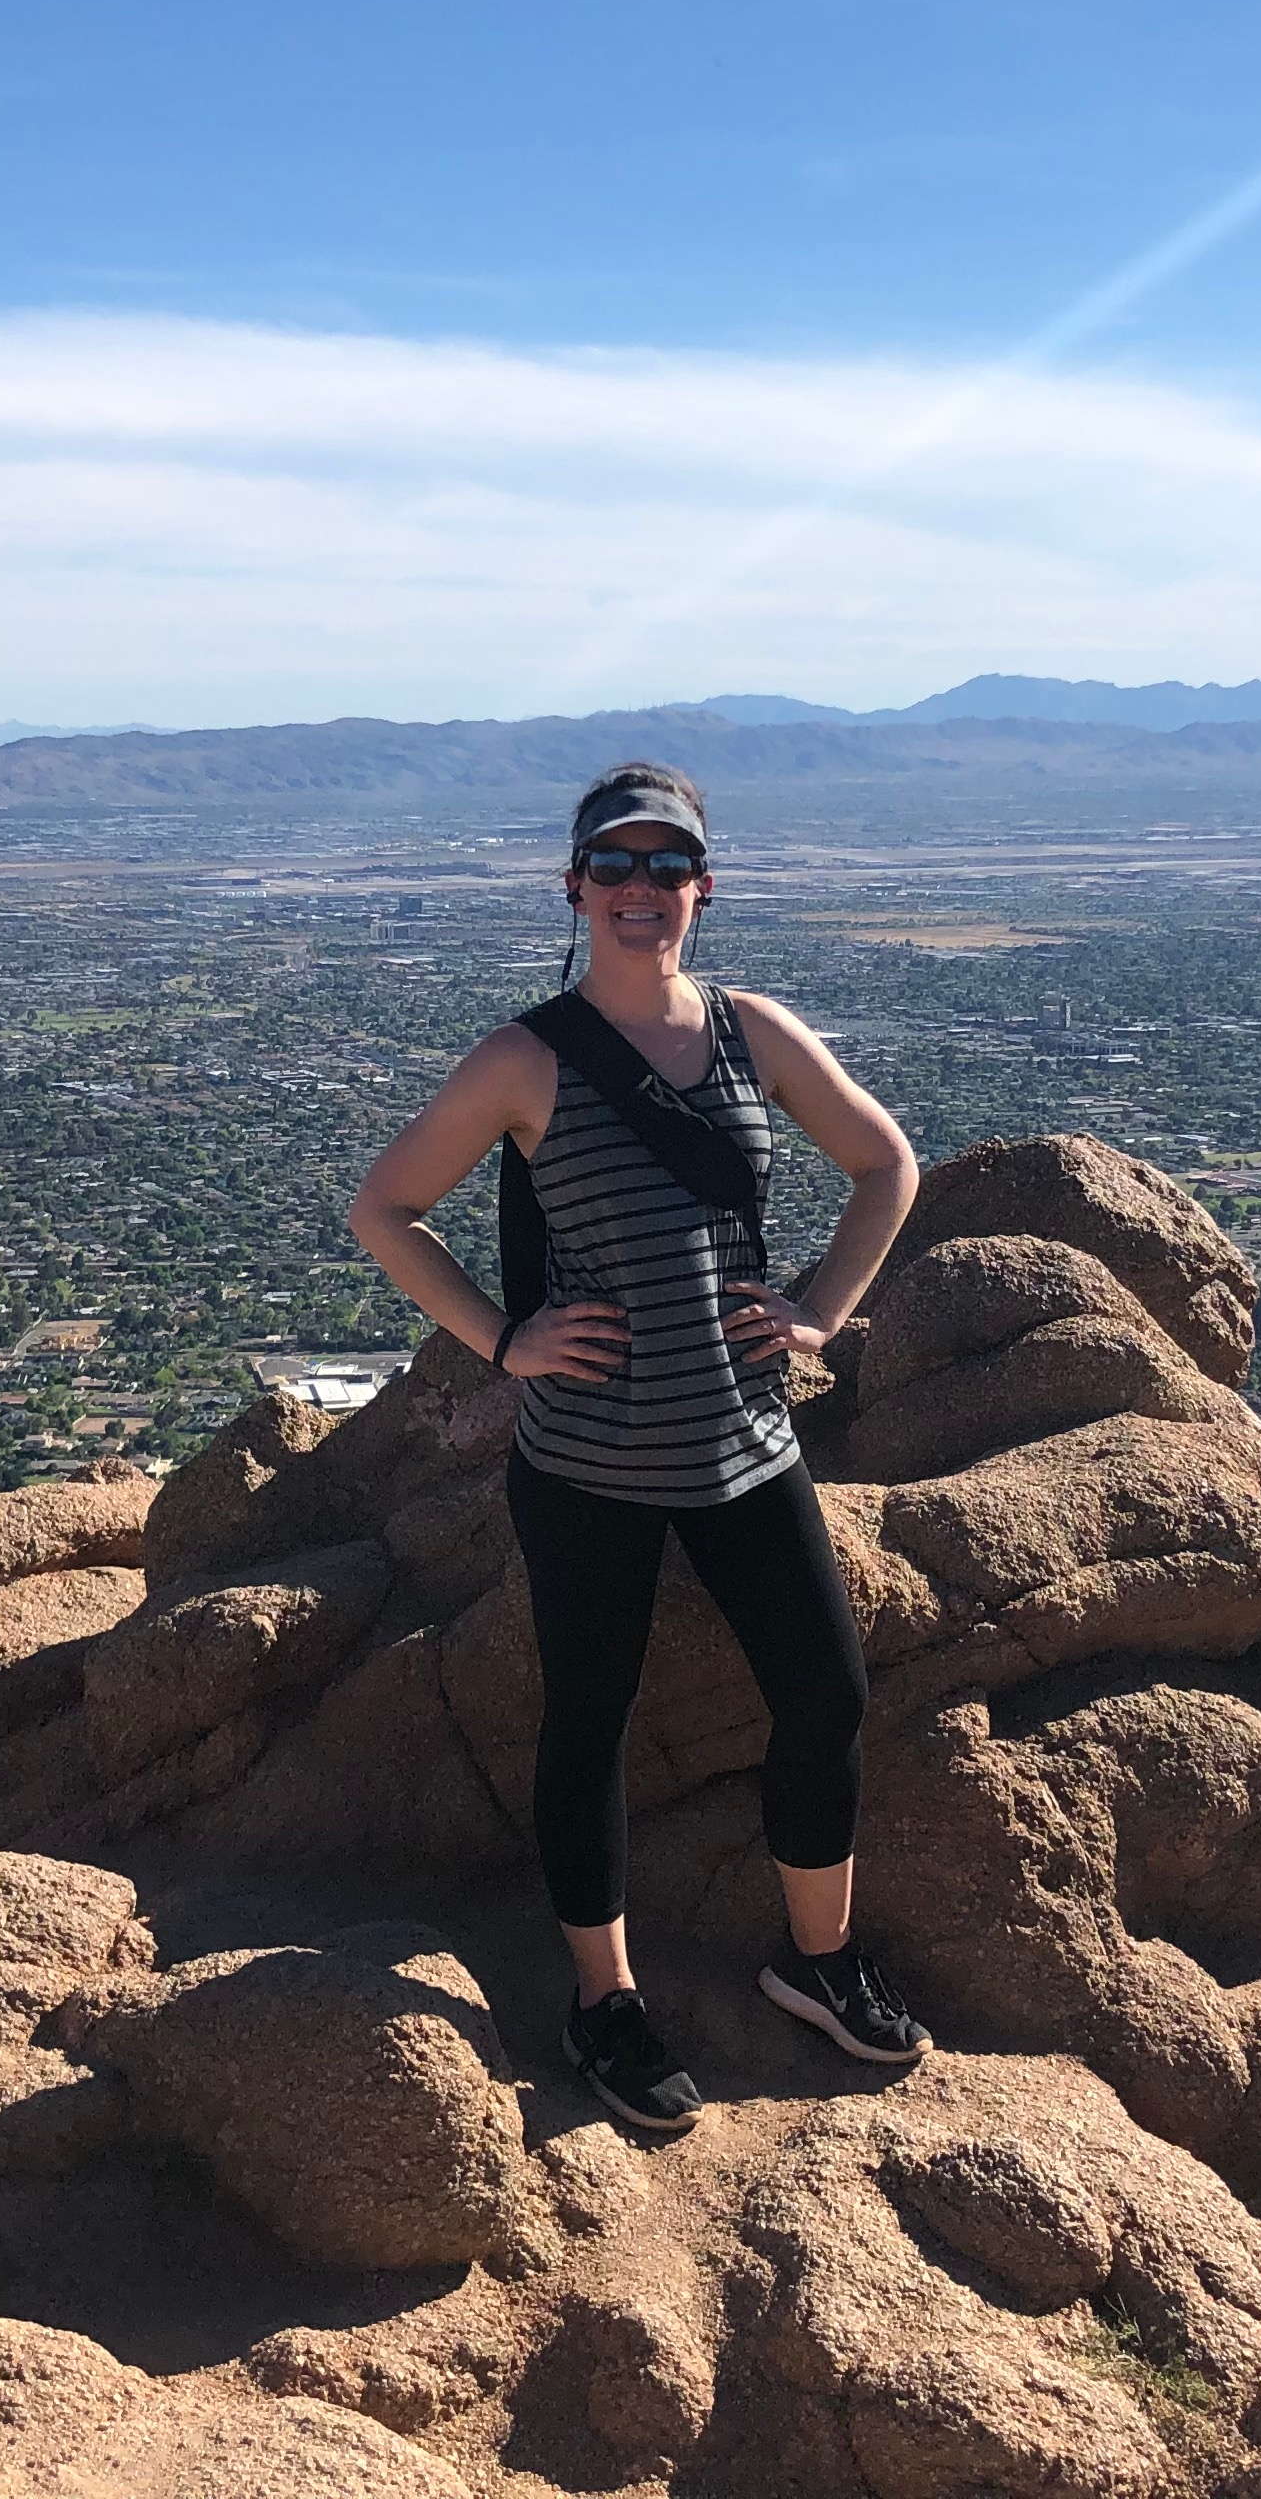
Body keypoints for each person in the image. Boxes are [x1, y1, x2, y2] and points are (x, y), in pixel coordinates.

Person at [346, 761, 929, 2133]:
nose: (641, 891)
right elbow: (387, 1209)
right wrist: (504, 1343)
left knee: (826, 1695)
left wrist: (821, 1312)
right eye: (615, 867)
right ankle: (606, 2002)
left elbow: (887, 1163)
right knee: (587, 1726)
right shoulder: (524, 1058)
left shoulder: (752, 1034)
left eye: (668, 868)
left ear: (703, 890)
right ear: (573, 889)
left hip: (742, 1442)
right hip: (589, 1460)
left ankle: (818, 1961)